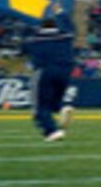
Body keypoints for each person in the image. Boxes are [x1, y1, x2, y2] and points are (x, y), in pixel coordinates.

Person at [24, 9, 77, 142]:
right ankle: (62, 107)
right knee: (54, 100)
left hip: (45, 71)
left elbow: (24, 48)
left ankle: (51, 131)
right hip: (65, 70)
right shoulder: (66, 36)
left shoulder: (34, 39)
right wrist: (61, 11)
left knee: (40, 106)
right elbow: (70, 24)